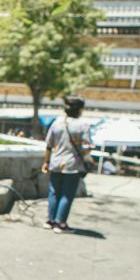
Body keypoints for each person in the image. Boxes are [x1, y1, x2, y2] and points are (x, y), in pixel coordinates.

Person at [41, 96, 92, 234]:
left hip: (55, 162)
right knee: (66, 194)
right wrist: (86, 153)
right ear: (80, 110)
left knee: (54, 192)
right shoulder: (83, 126)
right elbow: (87, 147)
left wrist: (46, 162)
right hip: (72, 165)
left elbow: (48, 145)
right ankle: (60, 224)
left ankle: (50, 221)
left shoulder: (56, 124)